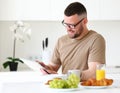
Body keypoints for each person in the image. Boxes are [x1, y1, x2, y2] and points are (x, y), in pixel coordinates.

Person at [37, 2, 106, 81]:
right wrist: (46, 68)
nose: (68, 29)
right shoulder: (61, 41)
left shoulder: (96, 39)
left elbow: (94, 73)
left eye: (72, 25)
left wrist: (66, 77)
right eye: (66, 24)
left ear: (85, 21)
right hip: (65, 89)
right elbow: (53, 67)